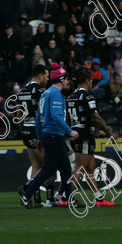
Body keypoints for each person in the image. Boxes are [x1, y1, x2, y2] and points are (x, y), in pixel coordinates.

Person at [19, 64, 77, 209]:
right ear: (61, 79)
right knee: (48, 170)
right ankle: (26, 196)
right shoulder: (55, 93)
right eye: (66, 78)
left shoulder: (46, 93)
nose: (68, 81)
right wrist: (70, 131)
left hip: (47, 135)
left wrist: (39, 137)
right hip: (54, 136)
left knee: (65, 169)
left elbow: (38, 117)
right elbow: (57, 117)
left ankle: (67, 198)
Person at [67, 70, 116, 207]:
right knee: (80, 167)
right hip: (84, 135)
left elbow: (68, 119)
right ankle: (66, 197)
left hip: (76, 133)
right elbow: (96, 117)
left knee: (89, 167)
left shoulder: (70, 97)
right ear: (88, 81)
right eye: (91, 81)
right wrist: (109, 132)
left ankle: (98, 198)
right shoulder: (87, 96)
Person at [18, 65, 50, 206]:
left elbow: (19, 114)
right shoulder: (40, 90)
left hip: (26, 129)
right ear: (40, 76)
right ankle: (27, 187)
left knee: (35, 165)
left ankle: (36, 200)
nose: (47, 79)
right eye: (46, 76)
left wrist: (23, 131)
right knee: (47, 165)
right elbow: (42, 113)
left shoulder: (22, 90)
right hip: (38, 130)